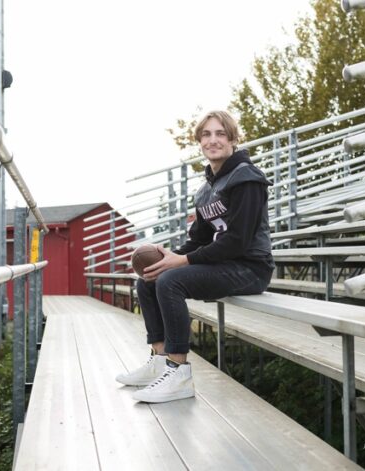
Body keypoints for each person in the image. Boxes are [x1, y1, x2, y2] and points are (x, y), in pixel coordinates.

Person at [116, 110, 275, 403]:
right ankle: (160, 360)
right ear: (199, 141)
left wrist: (181, 263)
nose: (213, 140)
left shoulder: (248, 178)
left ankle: (179, 373)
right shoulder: (206, 191)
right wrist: (169, 257)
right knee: (149, 280)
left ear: (233, 140)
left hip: (250, 267)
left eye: (220, 134)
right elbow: (199, 240)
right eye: (206, 134)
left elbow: (238, 241)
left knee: (171, 282)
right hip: (223, 263)